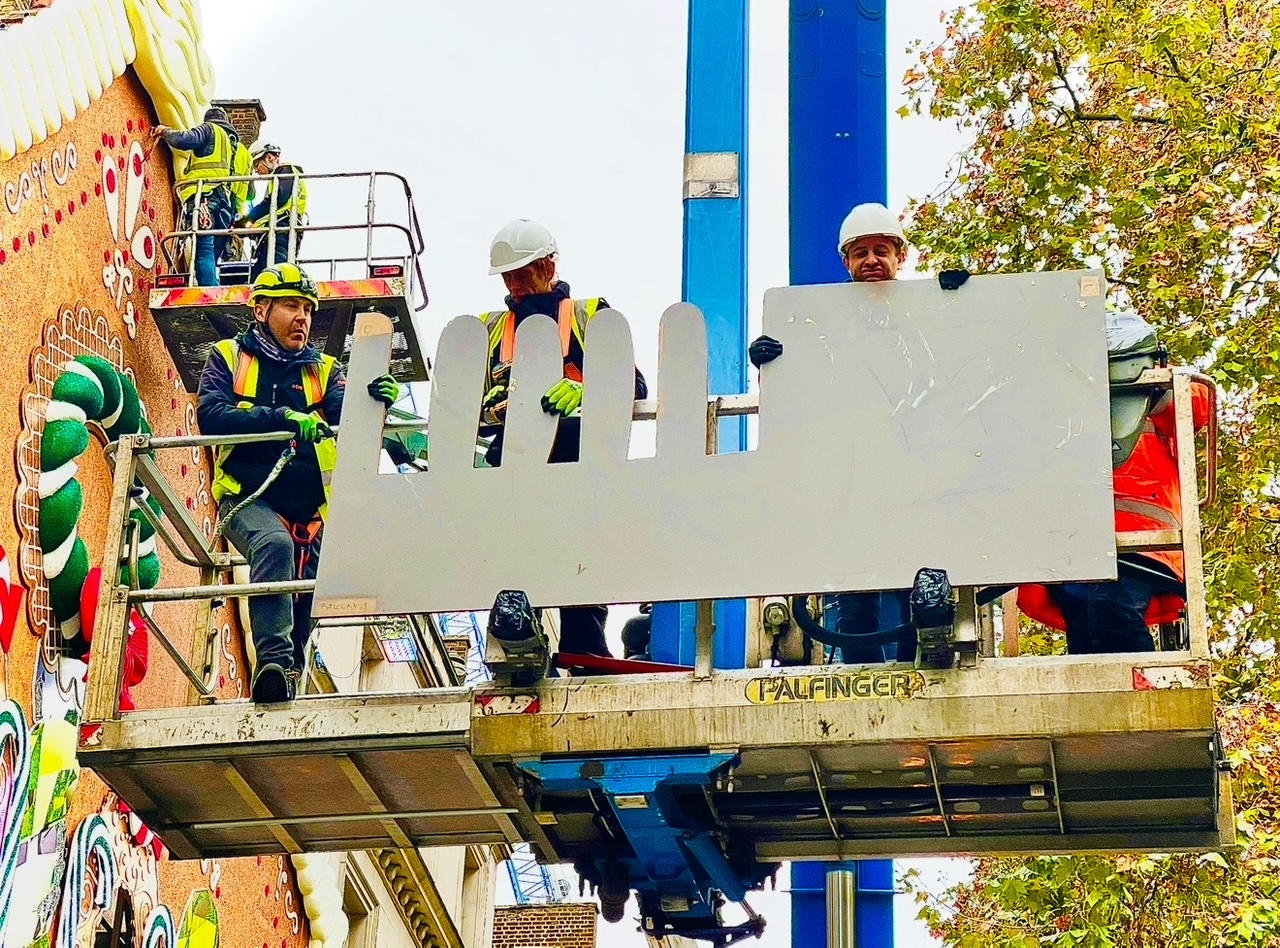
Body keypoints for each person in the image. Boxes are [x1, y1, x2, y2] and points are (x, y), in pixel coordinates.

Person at [747, 203, 968, 664]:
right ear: (847, 262)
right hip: (852, 475)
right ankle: (860, 678)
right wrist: (772, 364)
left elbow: (959, 367)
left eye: (881, 251)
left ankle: (918, 666)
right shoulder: (821, 325)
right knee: (856, 588)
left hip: (913, 471)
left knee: (919, 577)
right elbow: (800, 398)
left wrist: (960, 304)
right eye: (861, 252)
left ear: (900, 258)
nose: (871, 260)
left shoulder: (925, 316)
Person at [197, 263, 399, 703]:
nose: (303, 317)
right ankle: (270, 663)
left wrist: (376, 401)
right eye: (291, 305)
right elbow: (211, 415)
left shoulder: (324, 370)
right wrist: (282, 418)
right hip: (246, 498)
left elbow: (350, 413)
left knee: (306, 599)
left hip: (313, 512)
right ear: (261, 309)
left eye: (307, 308)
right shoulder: (229, 357)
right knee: (275, 547)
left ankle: (286, 676)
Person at [478, 219, 648, 661]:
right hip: (513, 459)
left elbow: (635, 387)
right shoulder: (492, 328)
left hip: (578, 454)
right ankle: (517, 631)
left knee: (580, 550)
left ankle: (584, 648)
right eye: (508, 276)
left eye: (523, 272)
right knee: (515, 541)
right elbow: (461, 408)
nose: (515, 284)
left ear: (550, 266)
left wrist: (585, 391)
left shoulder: (589, 315)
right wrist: (493, 404)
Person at [1018, 312, 1213, 653]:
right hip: (1074, 542)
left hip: (1140, 539)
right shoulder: (1058, 402)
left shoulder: (1159, 390)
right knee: (1086, 630)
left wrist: (1149, 383)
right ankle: (1101, 702)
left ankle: (1139, 699)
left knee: (1113, 612)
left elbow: (1197, 403)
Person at [151, 107, 243, 287]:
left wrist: (165, 131)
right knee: (212, 251)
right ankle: (212, 285)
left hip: (204, 197)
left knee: (203, 250)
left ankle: (209, 291)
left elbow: (185, 140)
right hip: (222, 202)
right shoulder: (231, 144)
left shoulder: (209, 129)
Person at [243, 143, 308, 279]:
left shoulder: (286, 172)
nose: (256, 171)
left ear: (269, 158)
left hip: (282, 229)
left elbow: (275, 201)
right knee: (260, 277)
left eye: (256, 164)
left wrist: (246, 220)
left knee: (277, 274)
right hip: (278, 229)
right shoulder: (279, 177)